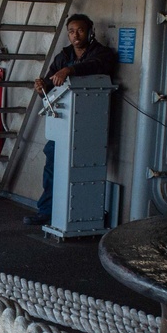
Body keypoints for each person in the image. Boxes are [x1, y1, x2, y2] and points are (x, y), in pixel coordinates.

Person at [25, 13, 117, 226]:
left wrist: (70, 70)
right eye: (71, 31)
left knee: (81, 166)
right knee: (52, 162)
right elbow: (48, 86)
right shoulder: (63, 55)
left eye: (80, 30)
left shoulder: (101, 54)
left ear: (90, 31)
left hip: (88, 125)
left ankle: (80, 214)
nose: (75, 35)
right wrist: (42, 87)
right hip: (63, 123)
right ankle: (47, 211)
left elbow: (97, 66)